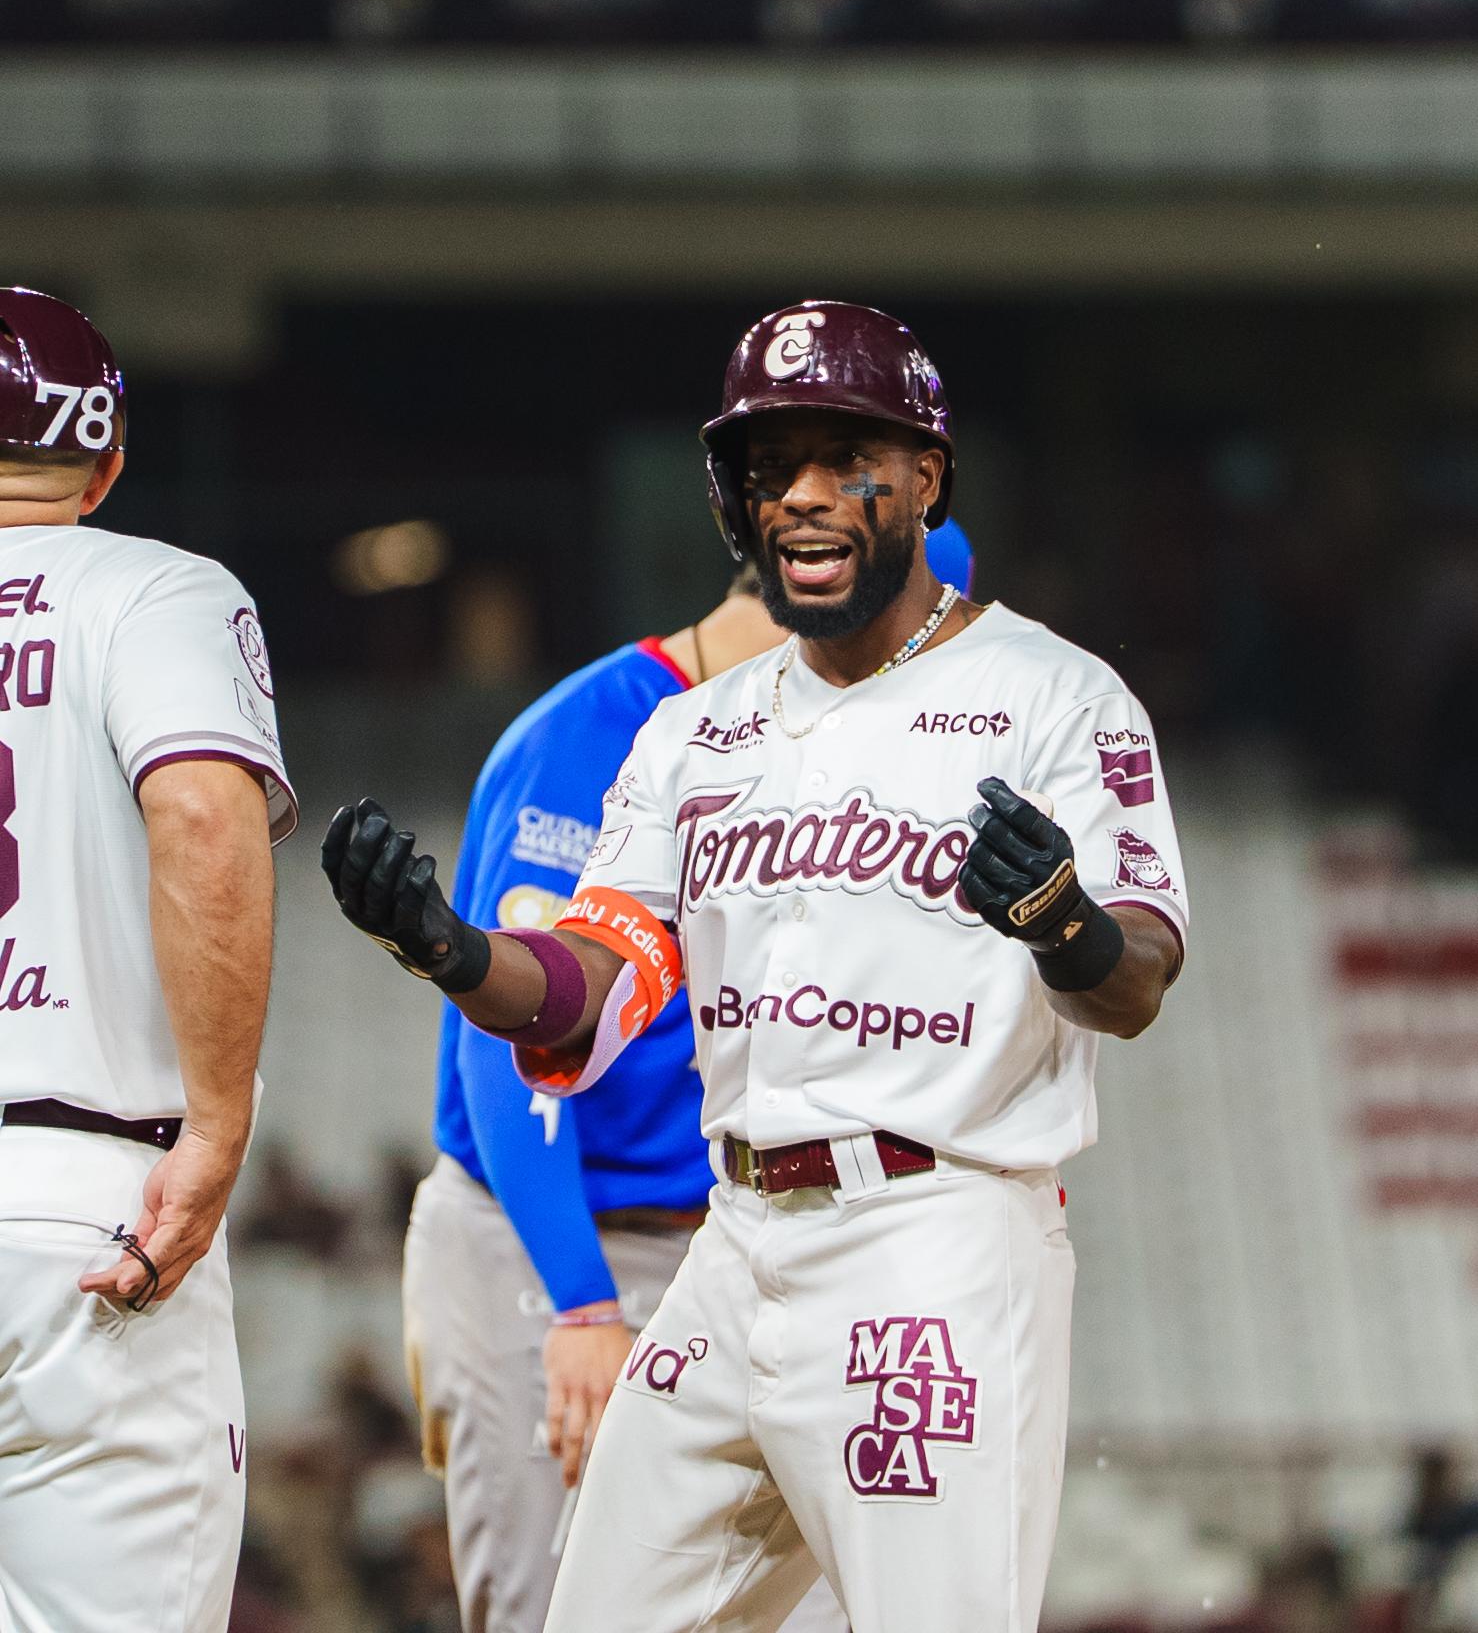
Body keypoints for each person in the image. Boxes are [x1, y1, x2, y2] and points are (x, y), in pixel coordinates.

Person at [323, 300, 1187, 1633]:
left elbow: (1131, 980)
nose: (803, 496)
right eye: (769, 466)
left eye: (847, 458)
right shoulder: (690, 734)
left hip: (930, 1241)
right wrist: (448, 950)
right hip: (733, 1251)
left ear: (925, 479)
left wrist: (1061, 921)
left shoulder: (1056, 696)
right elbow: (590, 984)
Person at [403, 527, 973, 1633]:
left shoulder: (833, 755)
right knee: (548, 1611)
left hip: (731, 1239)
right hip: (546, 1230)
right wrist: (578, 1297)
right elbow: (499, 1046)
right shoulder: (586, 735)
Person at [0, 289, 297, 1632]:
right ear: (107, 462)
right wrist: (223, 1127)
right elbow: (198, 811)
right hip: (88, 1197)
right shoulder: (155, 588)